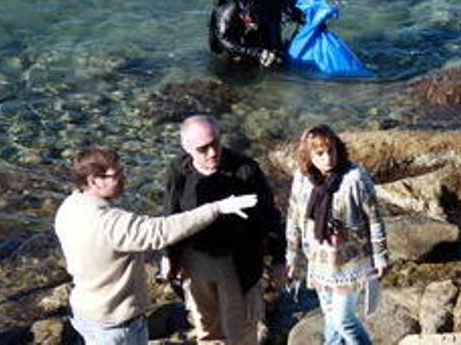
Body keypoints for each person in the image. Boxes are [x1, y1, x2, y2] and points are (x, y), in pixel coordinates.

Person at [55, 147, 257, 345]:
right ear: (93, 181)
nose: (125, 178)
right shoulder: (109, 223)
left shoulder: (70, 206)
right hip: (116, 325)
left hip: (85, 312)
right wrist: (216, 208)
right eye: (117, 174)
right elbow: (161, 231)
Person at [162, 115, 285, 344]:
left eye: (216, 143)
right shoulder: (178, 171)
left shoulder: (245, 169)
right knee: (206, 326)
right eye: (203, 149)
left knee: (243, 330)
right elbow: (171, 215)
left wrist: (279, 260)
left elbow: (270, 216)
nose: (212, 153)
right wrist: (169, 255)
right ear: (187, 149)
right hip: (197, 259)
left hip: (239, 261)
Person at [286, 124, 390, 345]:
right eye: (320, 154)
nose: (327, 158)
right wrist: (292, 257)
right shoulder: (302, 179)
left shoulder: (354, 178)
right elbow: (294, 217)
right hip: (319, 261)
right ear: (308, 156)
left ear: (338, 149)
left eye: (331, 151)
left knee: (344, 320)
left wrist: (381, 256)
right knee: (330, 317)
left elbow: (375, 218)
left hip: (350, 263)